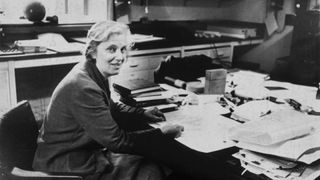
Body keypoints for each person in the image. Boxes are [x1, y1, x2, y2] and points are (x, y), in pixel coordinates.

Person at [33, 20, 236, 180]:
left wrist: (142, 113)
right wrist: (161, 133)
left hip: (79, 152)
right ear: (93, 51)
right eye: (111, 49)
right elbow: (117, 141)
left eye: (123, 49)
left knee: (160, 161)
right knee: (156, 165)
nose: (120, 57)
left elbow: (111, 107)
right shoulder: (83, 85)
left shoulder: (91, 71)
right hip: (65, 164)